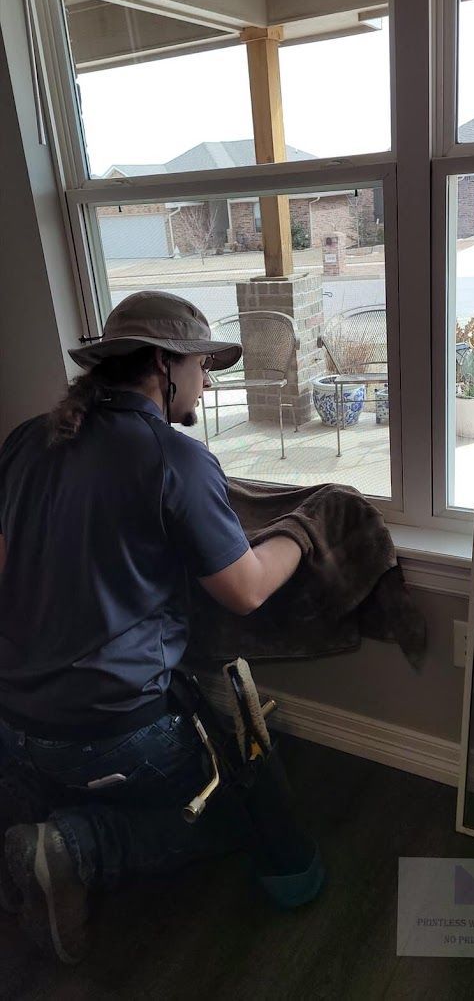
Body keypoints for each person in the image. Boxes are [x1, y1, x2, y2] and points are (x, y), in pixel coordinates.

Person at [0, 291, 324, 964]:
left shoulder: (29, 439)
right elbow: (246, 589)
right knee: (244, 810)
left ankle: (36, 812)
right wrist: (305, 528)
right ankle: (76, 850)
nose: (208, 383)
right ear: (161, 364)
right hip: (108, 731)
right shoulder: (171, 457)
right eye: (203, 366)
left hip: (15, 716)